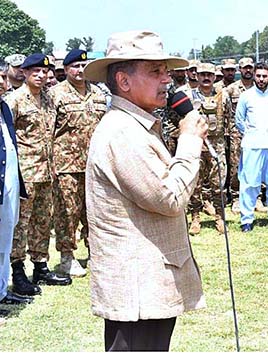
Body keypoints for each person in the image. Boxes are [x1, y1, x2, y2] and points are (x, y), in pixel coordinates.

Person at [83, 30, 208, 351]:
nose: (167, 80)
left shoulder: (136, 125)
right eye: (155, 71)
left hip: (146, 281)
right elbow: (169, 198)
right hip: (138, 287)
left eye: (166, 70)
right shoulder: (122, 132)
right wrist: (191, 141)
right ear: (123, 82)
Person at [7, 54, 72, 297]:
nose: (41, 75)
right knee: (20, 225)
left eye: (45, 72)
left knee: (43, 221)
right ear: (24, 72)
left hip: (47, 171)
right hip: (24, 172)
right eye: (35, 71)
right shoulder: (14, 100)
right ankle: (17, 271)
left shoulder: (48, 98)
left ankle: (40, 266)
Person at [50, 49, 108, 277]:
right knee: (68, 214)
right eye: (75, 66)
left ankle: (96, 253)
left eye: (84, 66)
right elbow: (48, 131)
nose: (80, 70)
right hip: (66, 166)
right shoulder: (55, 95)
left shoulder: (99, 95)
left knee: (95, 212)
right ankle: (67, 258)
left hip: (94, 165)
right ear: (65, 70)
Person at [235, 63, 268, 231]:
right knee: (249, 183)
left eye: (265, 76)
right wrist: (253, 134)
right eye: (258, 76)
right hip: (252, 145)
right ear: (254, 76)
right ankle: (246, 220)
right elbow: (239, 121)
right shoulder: (246, 96)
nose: (261, 79)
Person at [0, 69, 34, 322]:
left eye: (4, 77)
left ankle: (1, 291)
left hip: (9, 182)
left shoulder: (3, 108)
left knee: (5, 239)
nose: (4, 82)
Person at [187, 63, 232, 235]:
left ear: (214, 77)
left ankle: (220, 217)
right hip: (197, 146)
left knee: (218, 184)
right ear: (196, 76)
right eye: (202, 74)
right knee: (195, 184)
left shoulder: (223, 96)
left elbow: (229, 119)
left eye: (209, 75)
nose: (206, 78)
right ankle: (195, 217)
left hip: (217, 146)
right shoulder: (188, 97)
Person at [224, 57, 255, 213]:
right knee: (236, 166)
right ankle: (236, 198)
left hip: (256, 133)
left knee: (256, 165)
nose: (248, 70)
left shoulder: (260, 88)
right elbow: (224, 111)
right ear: (240, 70)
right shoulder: (231, 89)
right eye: (244, 68)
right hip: (237, 133)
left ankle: (255, 198)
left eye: (250, 67)